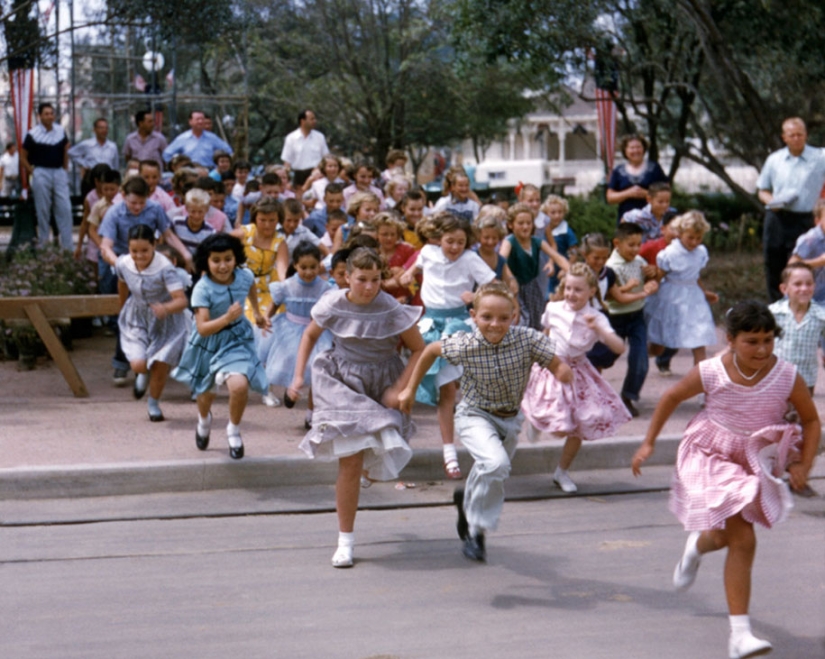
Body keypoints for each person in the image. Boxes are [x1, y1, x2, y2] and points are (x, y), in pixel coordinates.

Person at [631, 300, 820, 659]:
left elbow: (811, 420)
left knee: (722, 535)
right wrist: (648, 442)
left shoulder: (786, 375)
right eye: (752, 341)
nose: (762, 349)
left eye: (768, 340)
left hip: (752, 457)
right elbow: (671, 396)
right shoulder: (711, 371)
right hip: (710, 453)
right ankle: (739, 636)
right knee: (743, 539)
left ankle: (695, 548)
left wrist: (804, 465)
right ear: (730, 340)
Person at [398, 281, 572, 562]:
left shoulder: (526, 339)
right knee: (496, 464)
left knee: (492, 472)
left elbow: (555, 363)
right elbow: (430, 351)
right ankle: (475, 529)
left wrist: (563, 372)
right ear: (474, 317)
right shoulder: (466, 343)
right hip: (474, 415)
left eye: (504, 317)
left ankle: (466, 498)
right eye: (487, 317)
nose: (495, 324)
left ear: (514, 316)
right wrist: (409, 388)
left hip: (510, 419)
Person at [287, 247, 425, 567]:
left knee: (374, 456)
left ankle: (366, 471)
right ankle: (345, 541)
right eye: (361, 279)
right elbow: (309, 335)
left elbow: (419, 350)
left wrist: (401, 387)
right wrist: (297, 376)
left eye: (375, 279)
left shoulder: (390, 307)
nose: (368, 287)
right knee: (350, 461)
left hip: (381, 380)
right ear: (346, 277)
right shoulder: (333, 303)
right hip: (342, 381)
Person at [399, 213, 497, 480]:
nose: (454, 247)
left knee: (456, 390)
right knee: (446, 392)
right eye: (449, 241)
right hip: (431, 325)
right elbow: (417, 266)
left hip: (459, 325)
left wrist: (476, 296)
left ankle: (479, 444)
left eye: (460, 242)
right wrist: (408, 273)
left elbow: (495, 286)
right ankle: (449, 453)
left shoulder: (470, 259)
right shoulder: (428, 252)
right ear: (438, 239)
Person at [522, 264, 631, 493]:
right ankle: (535, 420)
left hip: (578, 371)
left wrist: (600, 331)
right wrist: (537, 357)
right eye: (568, 288)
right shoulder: (553, 308)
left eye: (578, 290)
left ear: (591, 291)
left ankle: (561, 471)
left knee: (580, 424)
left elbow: (619, 346)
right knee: (557, 420)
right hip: (552, 365)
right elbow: (546, 333)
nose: (571, 294)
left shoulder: (596, 317)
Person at [172, 233, 271, 460]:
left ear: (236, 258)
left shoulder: (244, 275)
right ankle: (204, 421)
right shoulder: (202, 289)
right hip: (208, 343)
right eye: (216, 260)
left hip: (237, 340)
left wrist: (256, 312)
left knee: (238, 386)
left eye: (228, 259)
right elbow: (204, 328)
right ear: (206, 262)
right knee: (205, 393)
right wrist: (227, 318)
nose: (223, 265)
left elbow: (251, 286)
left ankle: (233, 431)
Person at [116, 224, 190, 422]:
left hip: (166, 318)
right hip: (137, 315)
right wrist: (122, 307)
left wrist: (165, 308)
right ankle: (141, 373)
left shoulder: (165, 268)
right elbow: (122, 283)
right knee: (139, 363)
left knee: (160, 364)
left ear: (154, 246)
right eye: (134, 251)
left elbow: (181, 300)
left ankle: (153, 403)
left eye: (145, 251)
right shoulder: (123, 263)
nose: (139, 256)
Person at [264, 241, 332, 428]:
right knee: (289, 362)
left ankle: (311, 414)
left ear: (319, 265)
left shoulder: (325, 288)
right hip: (290, 329)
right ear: (295, 265)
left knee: (318, 369)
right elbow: (275, 304)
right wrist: (267, 318)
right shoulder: (287, 285)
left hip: (316, 332)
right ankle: (291, 389)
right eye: (303, 267)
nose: (309, 272)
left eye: (313, 267)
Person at [756, 117, 825, 301]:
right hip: (777, 219)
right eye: (791, 135)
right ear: (784, 137)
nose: (796, 138)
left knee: (800, 269)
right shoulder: (774, 159)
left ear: (806, 135)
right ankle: (776, 312)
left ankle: (803, 309)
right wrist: (772, 202)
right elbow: (762, 189)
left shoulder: (820, 157)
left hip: (805, 219)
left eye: (799, 134)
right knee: (774, 266)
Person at [645, 211, 718, 367]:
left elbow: (695, 275)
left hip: (694, 298)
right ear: (680, 233)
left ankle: (700, 381)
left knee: (699, 340)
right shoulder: (671, 253)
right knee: (658, 346)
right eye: (690, 237)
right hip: (671, 297)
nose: (694, 242)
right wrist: (650, 289)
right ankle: (639, 357)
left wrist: (705, 292)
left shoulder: (701, 252)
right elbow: (660, 275)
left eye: (698, 238)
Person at [603, 222, 659, 417]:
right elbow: (609, 296)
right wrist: (636, 290)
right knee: (604, 358)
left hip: (636, 316)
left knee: (640, 359)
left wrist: (653, 280)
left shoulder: (640, 261)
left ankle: (628, 397)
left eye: (638, 244)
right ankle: (596, 395)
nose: (636, 249)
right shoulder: (610, 266)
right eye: (631, 245)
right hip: (614, 317)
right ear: (617, 243)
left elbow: (651, 282)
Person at [499, 202, 569, 330]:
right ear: (511, 225)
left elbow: (558, 257)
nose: (525, 227)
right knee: (520, 322)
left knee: (538, 321)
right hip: (514, 290)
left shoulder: (536, 241)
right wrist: (510, 278)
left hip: (532, 288)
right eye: (520, 223)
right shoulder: (509, 241)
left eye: (528, 223)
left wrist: (572, 272)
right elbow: (501, 260)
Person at [20, 103, 73, 250]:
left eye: (52, 113)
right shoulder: (33, 134)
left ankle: (68, 246)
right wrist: (33, 172)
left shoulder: (60, 131)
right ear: (40, 116)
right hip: (41, 173)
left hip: (58, 172)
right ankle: (44, 244)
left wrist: (65, 169)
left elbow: (65, 150)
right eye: (46, 113)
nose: (50, 116)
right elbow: (23, 156)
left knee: (65, 208)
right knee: (43, 209)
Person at [770, 263, 825, 393]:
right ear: (784, 289)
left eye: (809, 283)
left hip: (806, 379)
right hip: (776, 378)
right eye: (798, 284)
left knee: (802, 412)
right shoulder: (773, 313)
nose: (804, 288)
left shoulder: (820, 316)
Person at [606, 133, 669, 221]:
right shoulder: (618, 171)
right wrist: (628, 193)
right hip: (626, 221)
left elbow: (667, 192)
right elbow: (610, 198)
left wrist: (646, 194)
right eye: (632, 148)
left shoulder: (654, 168)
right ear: (625, 151)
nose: (635, 150)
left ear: (643, 149)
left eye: (638, 147)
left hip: (652, 220)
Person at [162, 110, 233, 169]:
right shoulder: (182, 138)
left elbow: (228, 150)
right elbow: (167, 154)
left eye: (202, 119)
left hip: (208, 171)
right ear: (190, 121)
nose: (200, 121)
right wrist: (176, 167)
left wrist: (221, 165)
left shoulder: (212, 138)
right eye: (197, 119)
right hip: (189, 172)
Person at [281, 110, 330, 188]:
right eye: (312, 119)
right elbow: (287, 162)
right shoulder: (291, 138)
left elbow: (326, 157)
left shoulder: (319, 137)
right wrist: (286, 178)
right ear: (302, 121)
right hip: (298, 176)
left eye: (315, 119)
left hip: (316, 175)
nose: (315, 121)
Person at [374, 212, 416, 303]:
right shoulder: (373, 253)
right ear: (376, 234)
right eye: (384, 234)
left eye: (393, 234)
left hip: (406, 300)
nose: (389, 238)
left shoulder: (407, 250)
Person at [541, 194, 578, 294]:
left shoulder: (566, 231)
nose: (557, 216)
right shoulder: (542, 229)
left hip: (559, 272)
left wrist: (566, 268)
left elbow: (574, 252)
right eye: (553, 213)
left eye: (560, 212)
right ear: (546, 213)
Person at [171, 189, 217, 257]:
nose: (196, 216)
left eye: (200, 212)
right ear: (186, 208)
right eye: (193, 211)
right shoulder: (176, 223)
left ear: (207, 210)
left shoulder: (210, 232)